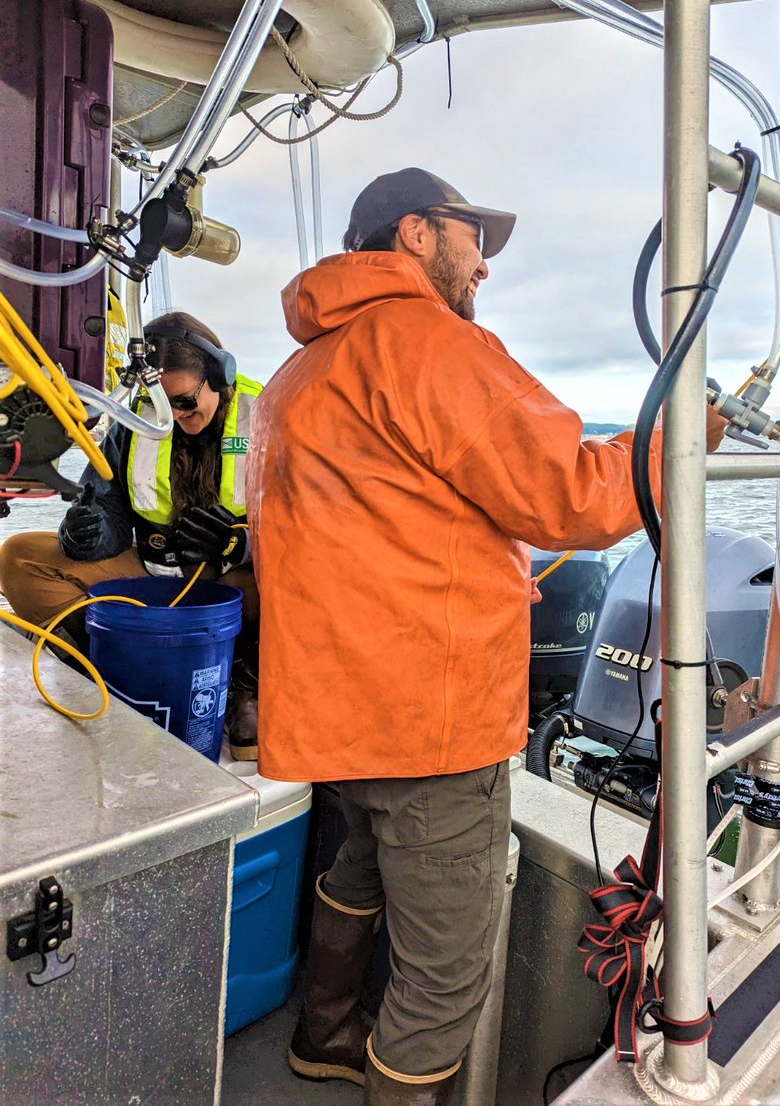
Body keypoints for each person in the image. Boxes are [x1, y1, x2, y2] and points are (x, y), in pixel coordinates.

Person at [245, 168, 726, 1105]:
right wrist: (677, 439)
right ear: (418, 235)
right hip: (429, 719)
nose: (485, 269)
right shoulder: (424, 340)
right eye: (475, 240)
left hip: (340, 712)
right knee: (446, 967)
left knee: (358, 862)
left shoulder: (305, 368)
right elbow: (574, 497)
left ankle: (324, 1031)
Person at [0, 310, 263, 760]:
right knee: (19, 554)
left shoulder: (269, 418)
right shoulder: (135, 423)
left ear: (220, 375)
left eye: (184, 401)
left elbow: (313, 520)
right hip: (152, 577)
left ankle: (244, 680)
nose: (175, 416)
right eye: (163, 403)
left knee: (299, 578)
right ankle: (105, 658)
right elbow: (104, 506)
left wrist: (241, 544)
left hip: (236, 583)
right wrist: (86, 533)